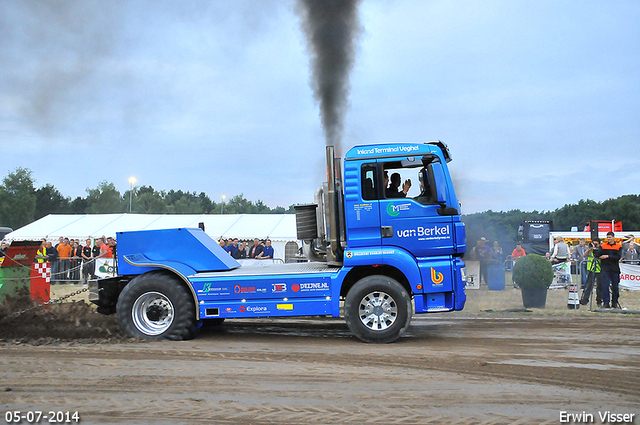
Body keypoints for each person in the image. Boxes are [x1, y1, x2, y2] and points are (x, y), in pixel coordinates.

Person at [594, 231, 622, 309]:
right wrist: (595, 251)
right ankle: (606, 302)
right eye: (608, 237)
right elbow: (597, 255)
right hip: (605, 269)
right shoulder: (603, 246)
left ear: (613, 237)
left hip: (614, 269)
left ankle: (614, 302)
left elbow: (618, 257)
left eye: (610, 237)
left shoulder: (618, 246)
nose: (609, 239)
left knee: (615, 287)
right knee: (605, 286)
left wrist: (607, 256)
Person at [580, 238, 602, 306]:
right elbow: (585, 255)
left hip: (599, 269)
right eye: (594, 243)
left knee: (599, 287)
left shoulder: (601, 249)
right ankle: (584, 300)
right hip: (591, 269)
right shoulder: (590, 249)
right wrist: (589, 249)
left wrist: (596, 249)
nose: (595, 245)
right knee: (588, 286)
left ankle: (599, 301)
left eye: (596, 244)